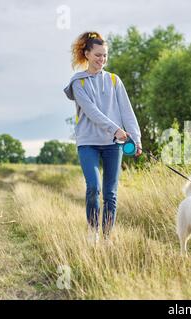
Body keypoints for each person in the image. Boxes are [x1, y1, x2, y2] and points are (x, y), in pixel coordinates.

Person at [64, 31, 142, 244]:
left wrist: (136, 139)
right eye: (98, 55)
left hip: (112, 145)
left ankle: (107, 238)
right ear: (87, 54)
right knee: (93, 187)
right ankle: (93, 231)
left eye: (105, 55)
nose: (102, 60)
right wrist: (116, 129)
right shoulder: (78, 83)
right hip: (88, 142)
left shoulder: (115, 80)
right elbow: (92, 112)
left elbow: (127, 111)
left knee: (110, 193)